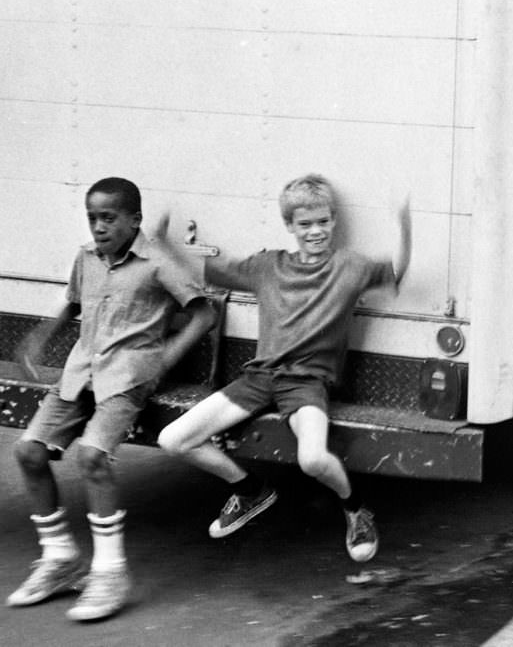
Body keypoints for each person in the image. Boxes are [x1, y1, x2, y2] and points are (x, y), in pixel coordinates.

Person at [157, 173, 411, 563]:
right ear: (289, 226)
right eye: (305, 224)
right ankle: (250, 491)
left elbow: (395, 274)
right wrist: (163, 242)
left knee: (312, 460)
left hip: (307, 384)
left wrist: (404, 226)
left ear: (334, 222)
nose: (315, 232)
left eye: (323, 222)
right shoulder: (267, 266)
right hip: (258, 378)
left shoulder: (350, 266)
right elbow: (208, 269)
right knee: (172, 440)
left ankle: (356, 509)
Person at [7, 177, 215, 621]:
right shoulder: (86, 257)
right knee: (27, 452)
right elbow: (74, 303)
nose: (99, 227)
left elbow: (203, 313)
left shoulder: (157, 262)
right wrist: (42, 336)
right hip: (81, 371)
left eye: (108, 218)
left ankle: (109, 573)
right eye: (92, 218)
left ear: (134, 220)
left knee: (92, 458)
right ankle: (60, 558)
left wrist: (166, 360)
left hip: (127, 377)